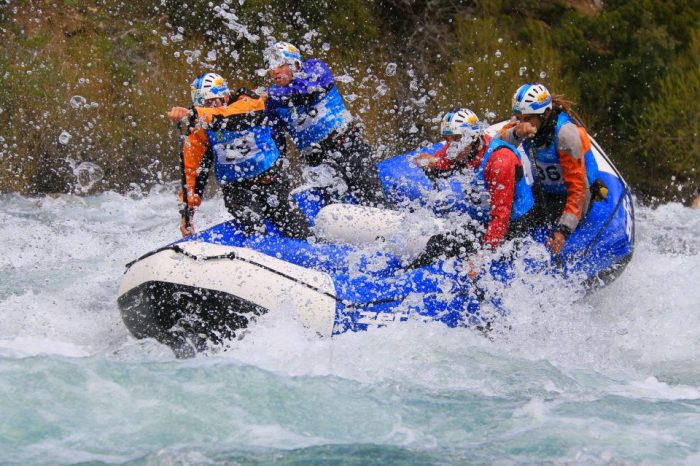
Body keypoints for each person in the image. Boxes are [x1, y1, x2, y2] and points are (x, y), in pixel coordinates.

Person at [167, 72, 311, 239]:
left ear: (226, 96)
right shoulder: (200, 127)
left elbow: (229, 117)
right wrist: (187, 214)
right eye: (206, 104)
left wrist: (195, 114)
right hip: (236, 191)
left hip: (272, 182)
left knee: (299, 229)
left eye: (214, 101)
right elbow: (192, 173)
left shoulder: (248, 102)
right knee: (255, 229)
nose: (212, 107)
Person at [261, 41, 386, 207]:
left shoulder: (314, 68)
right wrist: (271, 169)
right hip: (316, 160)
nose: (274, 70)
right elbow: (276, 140)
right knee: (337, 208)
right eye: (270, 65)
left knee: (373, 199)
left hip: (347, 145)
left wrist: (268, 95)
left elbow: (303, 91)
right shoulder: (272, 102)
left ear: (294, 63)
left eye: (279, 64)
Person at [413, 108, 534, 273]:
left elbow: (501, 214)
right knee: (437, 244)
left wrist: (483, 254)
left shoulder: (500, 161)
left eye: (456, 139)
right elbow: (440, 162)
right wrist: (428, 161)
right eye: (447, 140)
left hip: (514, 225)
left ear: (473, 137)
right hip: (482, 221)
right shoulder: (462, 149)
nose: (451, 146)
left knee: (477, 262)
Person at [499, 82, 606, 255]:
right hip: (545, 192)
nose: (522, 123)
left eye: (527, 119)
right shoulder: (523, 122)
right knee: (513, 224)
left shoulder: (565, 135)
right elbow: (497, 146)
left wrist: (563, 231)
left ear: (545, 114)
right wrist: (517, 133)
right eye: (519, 118)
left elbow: (578, 189)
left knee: (547, 228)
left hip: (578, 193)